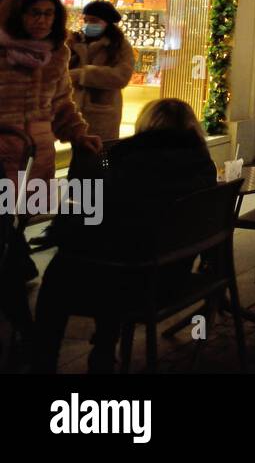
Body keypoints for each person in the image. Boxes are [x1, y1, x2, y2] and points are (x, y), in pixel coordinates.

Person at [31, 98, 215, 373]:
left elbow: (85, 221)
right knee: (116, 255)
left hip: (131, 284)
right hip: (171, 279)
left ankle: (44, 362)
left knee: (63, 272)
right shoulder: (203, 165)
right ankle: (103, 349)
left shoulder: (124, 161)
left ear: (146, 125)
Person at [0, 0, 101, 357]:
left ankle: (26, 332)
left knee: (12, 238)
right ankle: (28, 331)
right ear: (17, 15)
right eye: (34, 13)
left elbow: (62, 105)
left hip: (36, 161)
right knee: (6, 245)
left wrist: (79, 134)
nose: (42, 20)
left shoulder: (58, 55)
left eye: (48, 14)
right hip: (1, 162)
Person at [66, 0, 135, 144]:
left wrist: (83, 74)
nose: (88, 24)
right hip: (74, 112)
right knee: (78, 156)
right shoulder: (76, 41)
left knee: (102, 156)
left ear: (107, 23)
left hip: (104, 113)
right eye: (86, 20)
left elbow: (122, 76)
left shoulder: (119, 45)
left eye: (94, 20)